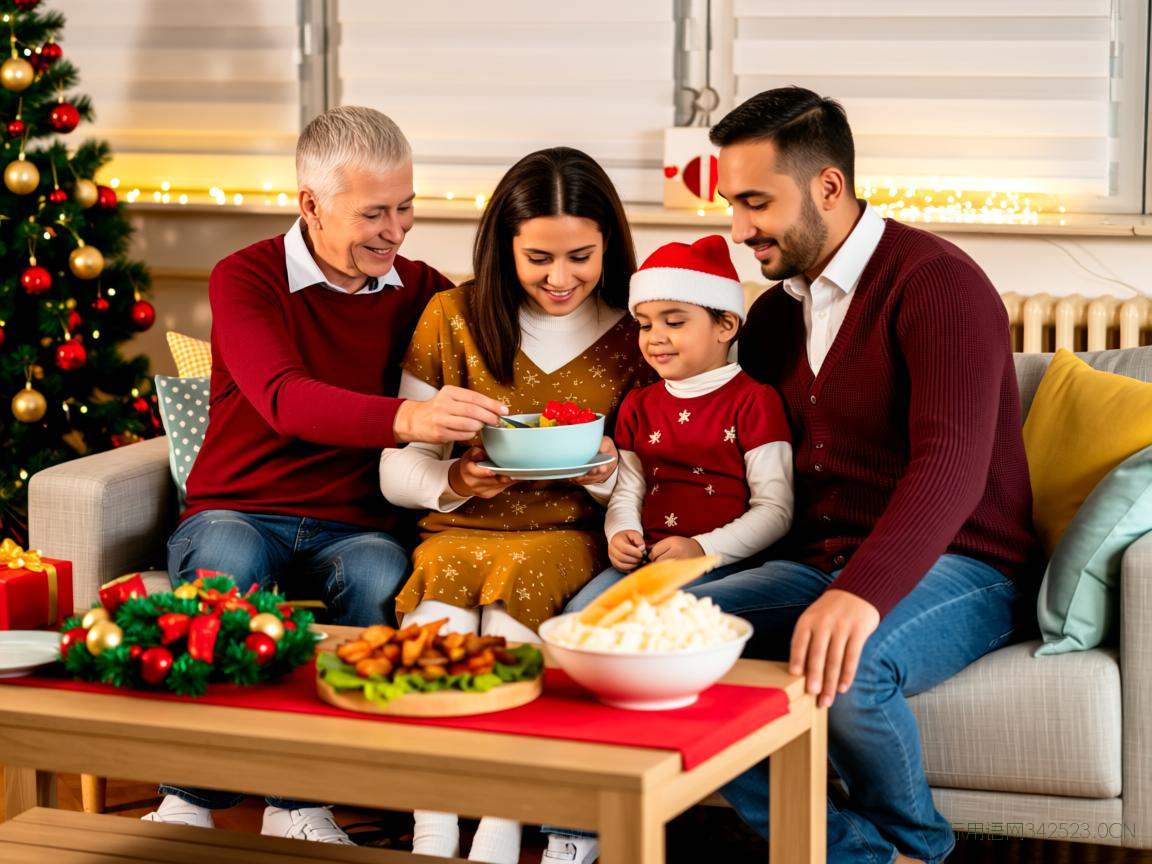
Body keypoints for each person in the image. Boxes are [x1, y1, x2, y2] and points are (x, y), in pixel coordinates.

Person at [688, 87, 1042, 864]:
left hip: (970, 563)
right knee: (665, 652)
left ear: (828, 187)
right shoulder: (777, 315)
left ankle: (921, 847)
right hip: (821, 562)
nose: (739, 229)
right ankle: (865, 857)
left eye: (756, 202)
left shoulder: (938, 284)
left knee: (851, 673)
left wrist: (859, 593)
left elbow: (950, 465)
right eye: (731, 203)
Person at [147, 106, 507, 844]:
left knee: (381, 576)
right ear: (309, 204)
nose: (396, 229)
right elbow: (282, 398)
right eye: (374, 212)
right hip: (238, 509)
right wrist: (409, 420)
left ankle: (303, 801)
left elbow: (501, 321)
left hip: (356, 524)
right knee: (229, 562)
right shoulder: (244, 278)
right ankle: (187, 795)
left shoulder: (421, 291)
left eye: (406, 207)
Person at [378, 146, 655, 863]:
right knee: (437, 630)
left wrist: (600, 475)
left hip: (568, 533)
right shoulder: (454, 317)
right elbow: (397, 468)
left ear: (610, 247)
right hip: (459, 527)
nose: (560, 279)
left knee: (514, 607)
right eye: (538, 259)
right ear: (505, 248)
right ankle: (433, 835)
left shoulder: (638, 331)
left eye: (581, 257)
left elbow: (649, 471)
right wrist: (456, 482)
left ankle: (500, 832)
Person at [564, 234, 793, 612]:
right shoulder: (639, 404)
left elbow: (775, 510)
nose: (656, 338)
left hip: (723, 562)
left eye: (674, 322)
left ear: (726, 325)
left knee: (648, 618)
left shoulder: (754, 401)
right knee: (580, 615)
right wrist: (621, 532)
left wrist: (703, 547)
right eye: (645, 325)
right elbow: (628, 491)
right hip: (647, 559)